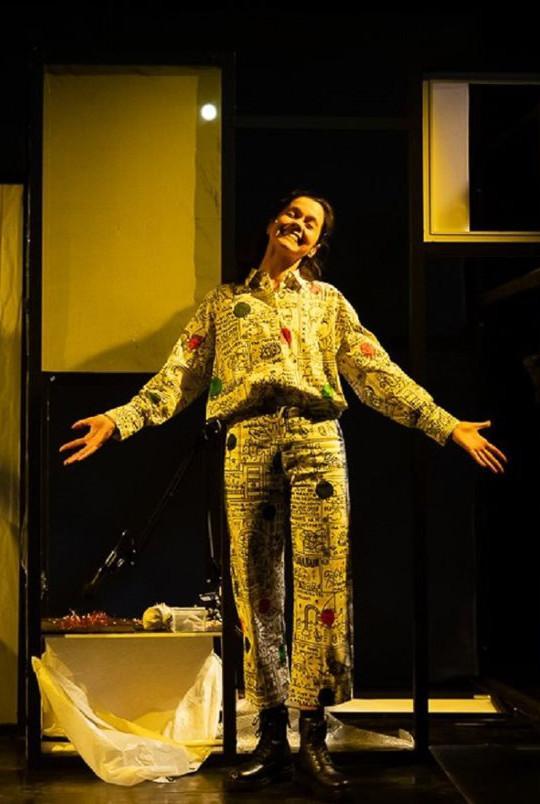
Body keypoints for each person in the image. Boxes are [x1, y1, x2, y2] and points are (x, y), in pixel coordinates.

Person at [59, 189, 508, 800]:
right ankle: (272, 738)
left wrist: (445, 423)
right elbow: (178, 375)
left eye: (311, 222)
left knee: (322, 583)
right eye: (293, 213)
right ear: (273, 222)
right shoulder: (225, 304)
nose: (298, 223)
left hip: (315, 439)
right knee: (255, 588)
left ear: (317, 243)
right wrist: (120, 420)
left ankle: (313, 737)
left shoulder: (327, 303)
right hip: (247, 442)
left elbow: (376, 372)